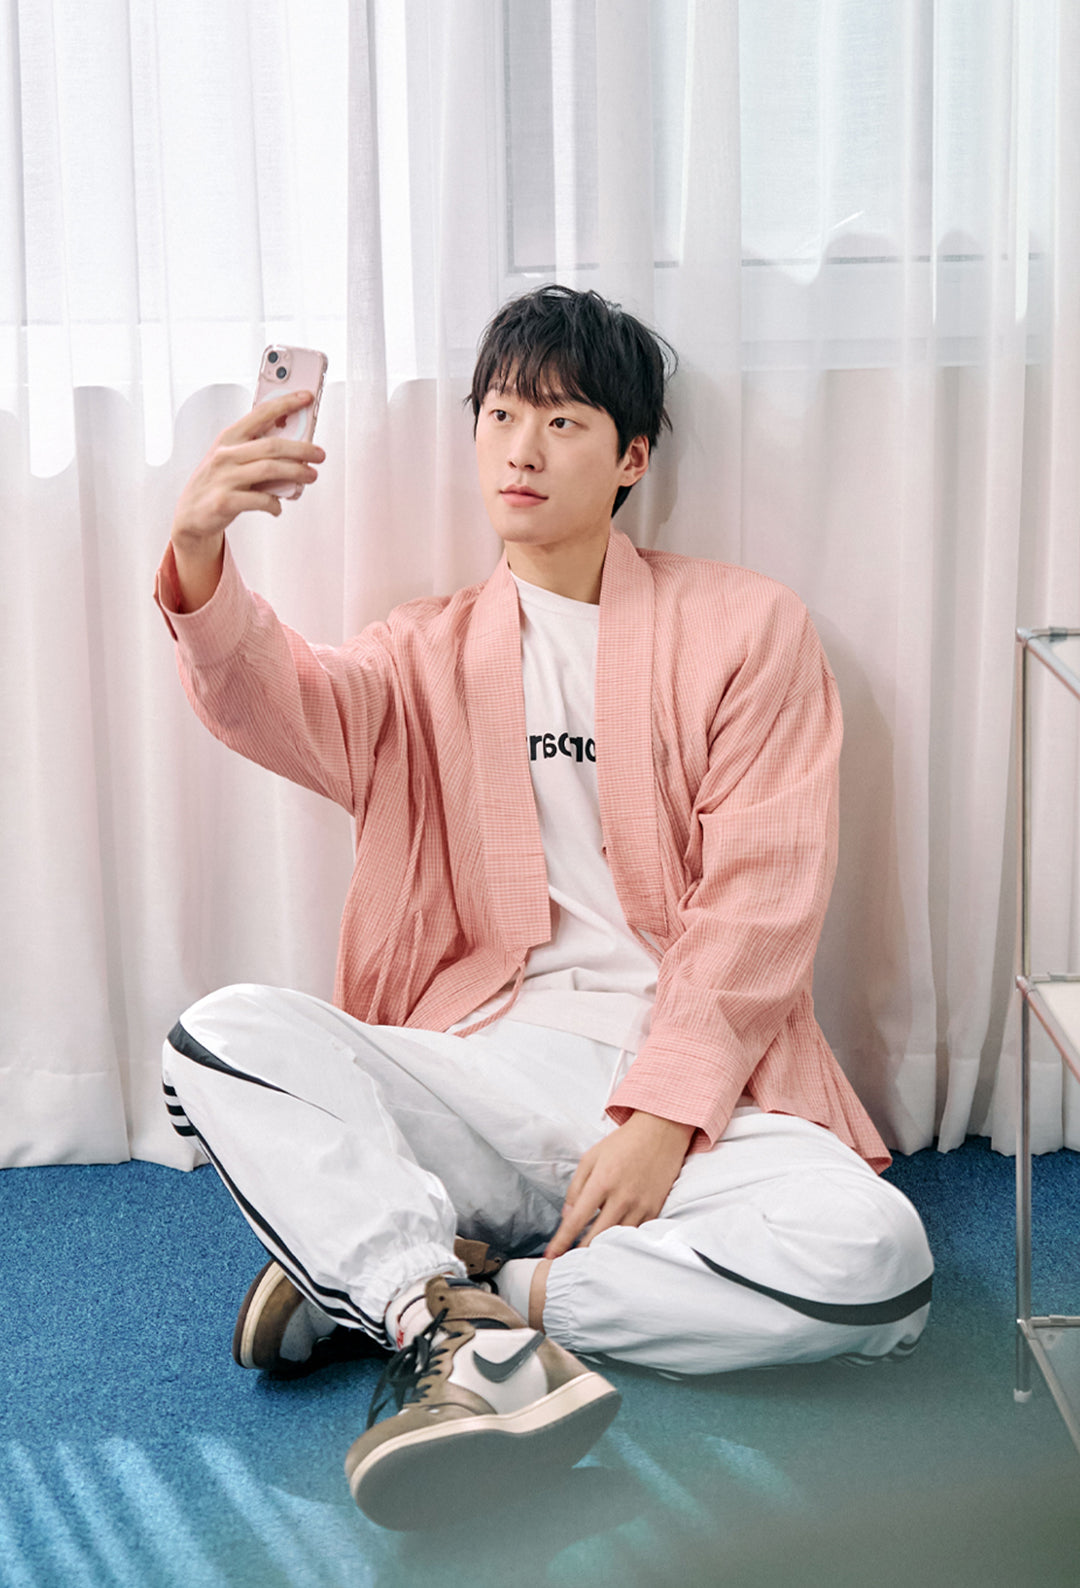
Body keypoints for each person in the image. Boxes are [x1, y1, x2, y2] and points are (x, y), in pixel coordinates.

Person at [155, 285, 933, 1532]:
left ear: (632, 458)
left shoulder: (745, 627)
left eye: (564, 421)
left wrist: (661, 1116)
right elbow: (277, 704)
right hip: (487, 1074)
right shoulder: (421, 649)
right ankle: (426, 1313)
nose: (522, 447)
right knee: (220, 1036)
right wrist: (201, 549)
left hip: (704, 1094)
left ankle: (457, 1293)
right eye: (502, 414)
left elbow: (763, 898)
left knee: (879, 1270)